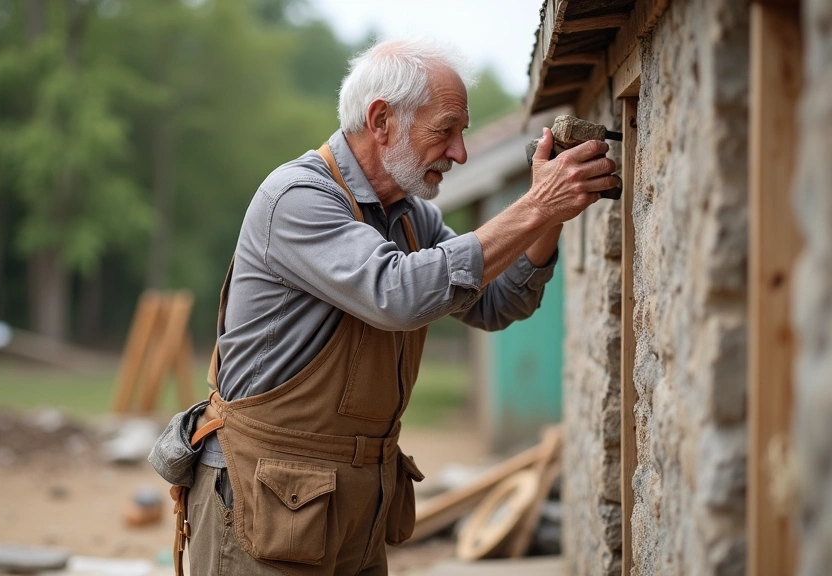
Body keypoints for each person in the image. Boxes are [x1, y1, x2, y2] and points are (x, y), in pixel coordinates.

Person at [179, 39, 618, 576]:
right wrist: (533, 207)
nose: (460, 152)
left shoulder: (411, 216)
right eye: (446, 130)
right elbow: (399, 294)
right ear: (381, 120)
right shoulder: (296, 197)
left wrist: (550, 215)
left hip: (356, 508)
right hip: (265, 503)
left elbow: (500, 304)